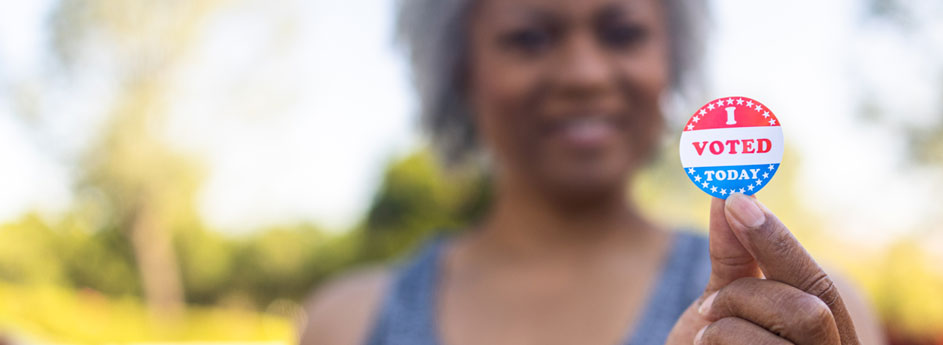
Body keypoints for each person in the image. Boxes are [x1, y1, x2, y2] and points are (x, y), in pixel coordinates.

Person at [301, 0, 884, 344]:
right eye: (529, 38)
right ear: (459, 67)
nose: (584, 73)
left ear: (671, 57)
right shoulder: (348, 322)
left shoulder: (805, 315)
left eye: (623, 33)